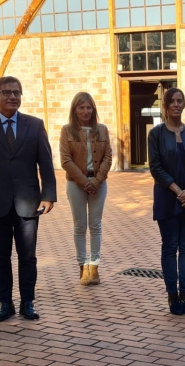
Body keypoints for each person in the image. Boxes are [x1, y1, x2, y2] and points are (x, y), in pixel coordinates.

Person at [0, 76, 57, 321]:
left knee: (28, 256)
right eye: (6, 93)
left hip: (28, 201)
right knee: (0, 256)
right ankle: (4, 303)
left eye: (17, 92)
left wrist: (48, 195)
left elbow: (46, 164)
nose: (12, 97)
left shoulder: (35, 125)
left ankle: (28, 301)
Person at [148, 88, 185, 315]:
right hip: (167, 198)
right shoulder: (156, 134)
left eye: (180, 101)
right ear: (165, 105)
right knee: (170, 247)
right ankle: (172, 295)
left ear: (184, 104)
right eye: (172, 101)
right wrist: (177, 190)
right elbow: (155, 167)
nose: (176, 105)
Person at [60, 92, 113, 286]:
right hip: (76, 184)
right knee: (80, 225)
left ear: (93, 109)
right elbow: (65, 160)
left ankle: (94, 266)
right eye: (81, 107)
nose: (85, 111)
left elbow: (108, 157)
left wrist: (97, 181)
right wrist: (85, 182)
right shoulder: (67, 131)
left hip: (98, 183)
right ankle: (82, 266)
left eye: (89, 107)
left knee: (96, 225)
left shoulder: (102, 130)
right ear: (74, 109)